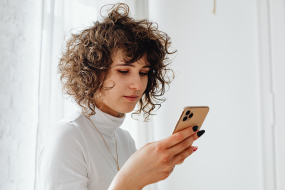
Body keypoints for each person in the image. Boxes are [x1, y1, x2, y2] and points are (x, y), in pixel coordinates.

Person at [37, 3, 205, 190]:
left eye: (143, 72)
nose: (138, 84)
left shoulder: (125, 140)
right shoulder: (67, 137)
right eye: (124, 71)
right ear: (93, 72)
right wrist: (130, 180)